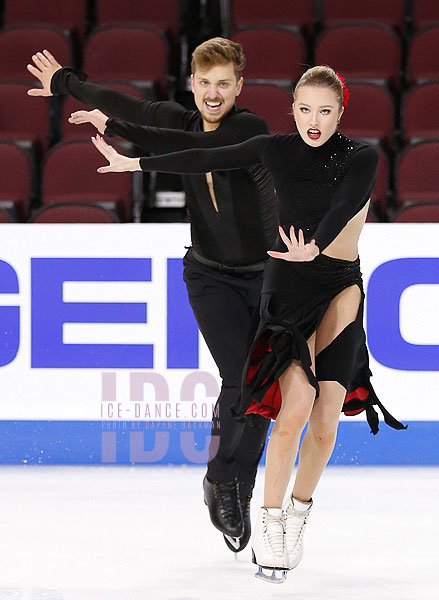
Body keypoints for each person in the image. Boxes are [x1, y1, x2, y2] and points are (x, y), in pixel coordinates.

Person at [88, 65, 406, 583]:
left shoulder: (361, 156)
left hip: (339, 284)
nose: (314, 121)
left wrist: (319, 243)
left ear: (341, 112)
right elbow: (205, 155)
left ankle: (300, 512)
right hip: (286, 288)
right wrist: (137, 164)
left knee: (326, 417)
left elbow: (346, 204)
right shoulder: (274, 148)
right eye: (305, 110)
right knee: (296, 402)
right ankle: (272, 519)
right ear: (293, 110)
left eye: (325, 111)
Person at [26, 39, 277, 552]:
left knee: (260, 387)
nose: (213, 93)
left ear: (239, 88)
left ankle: (232, 479)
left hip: (266, 277)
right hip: (209, 276)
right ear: (192, 84)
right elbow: (125, 104)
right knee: (242, 377)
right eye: (204, 83)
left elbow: (200, 154)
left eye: (223, 84)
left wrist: (131, 145)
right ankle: (226, 483)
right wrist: (67, 85)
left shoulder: (249, 129)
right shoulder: (181, 123)